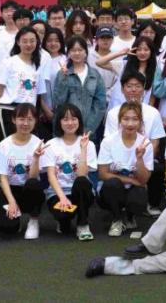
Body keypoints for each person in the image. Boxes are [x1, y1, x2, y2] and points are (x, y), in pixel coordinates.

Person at [0, 102, 46, 239]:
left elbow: (34, 177)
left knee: (34, 184)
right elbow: (3, 177)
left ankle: (33, 220)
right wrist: (12, 201)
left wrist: (36, 158)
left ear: (35, 121)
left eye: (30, 119)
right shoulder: (4, 145)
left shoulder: (38, 143)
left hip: (29, 188)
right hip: (10, 189)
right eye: (21, 119)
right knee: (7, 229)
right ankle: (15, 221)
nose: (25, 123)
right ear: (14, 120)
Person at [98, 101, 154, 237]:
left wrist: (139, 159)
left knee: (139, 194)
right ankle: (116, 219)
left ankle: (129, 217)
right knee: (112, 184)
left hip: (133, 190)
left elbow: (143, 180)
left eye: (135, 119)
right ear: (120, 121)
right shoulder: (108, 141)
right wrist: (130, 180)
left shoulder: (146, 143)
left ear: (140, 122)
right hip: (112, 189)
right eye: (126, 119)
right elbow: (103, 174)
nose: (130, 124)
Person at [42, 103, 98, 240]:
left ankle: (83, 224)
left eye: (74, 119)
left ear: (79, 121)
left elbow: (82, 175)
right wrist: (62, 198)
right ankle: (63, 222)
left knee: (81, 181)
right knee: (63, 215)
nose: (70, 123)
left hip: (81, 192)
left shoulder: (88, 144)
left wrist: (83, 149)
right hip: (58, 193)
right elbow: (51, 176)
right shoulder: (51, 145)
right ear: (59, 122)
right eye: (65, 119)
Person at [52, 35, 108, 143]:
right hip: (65, 129)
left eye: (80, 50)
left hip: (89, 131)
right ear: (68, 53)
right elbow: (58, 102)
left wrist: (88, 128)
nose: (77, 53)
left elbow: (100, 105)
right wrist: (63, 79)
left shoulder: (94, 75)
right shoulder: (62, 73)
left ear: (86, 52)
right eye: (73, 50)